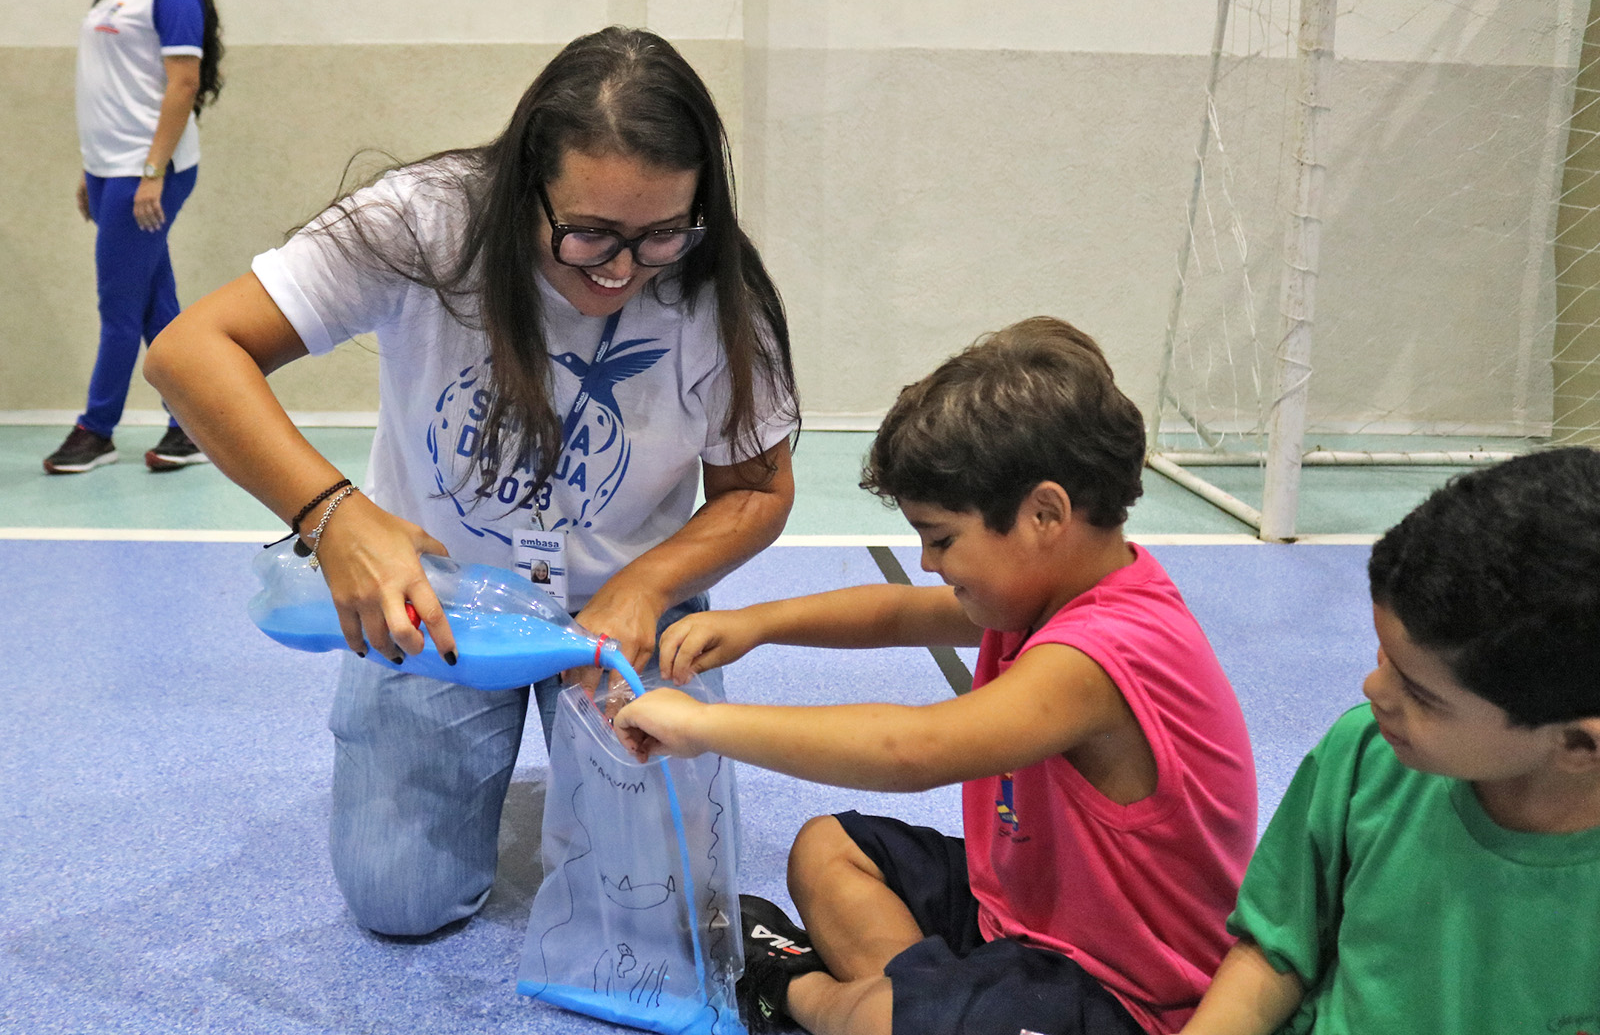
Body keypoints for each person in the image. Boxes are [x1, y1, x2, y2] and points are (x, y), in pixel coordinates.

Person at [144, 27, 801, 936]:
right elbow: (189, 353)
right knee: (398, 901)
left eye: (659, 235)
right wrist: (334, 516)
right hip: (443, 601)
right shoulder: (422, 223)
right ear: (525, 185)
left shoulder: (719, 287)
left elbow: (757, 492)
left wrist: (649, 584)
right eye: (588, 234)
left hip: (621, 613)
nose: (620, 270)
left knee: (651, 914)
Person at [614, 317, 1258, 1035]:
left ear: (1045, 514)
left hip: (1122, 997)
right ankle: (924, 1004)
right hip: (1016, 918)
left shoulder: (1104, 652)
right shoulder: (1046, 591)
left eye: (943, 539)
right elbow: (896, 613)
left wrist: (704, 726)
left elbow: (911, 750)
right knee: (829, 848)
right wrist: (758, 624)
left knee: (877, 1017)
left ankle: (795, 988)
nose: (928, 563)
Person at [1180, 447, 1600, 1034]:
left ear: (1579, 746)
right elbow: (1275, 951)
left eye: (1422, 695)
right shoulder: (1365, 753)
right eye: (1386, 656)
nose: (1374, 689)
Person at [46, 0, 223, 475]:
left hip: (148, 172)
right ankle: (192, 425)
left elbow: (183, 83)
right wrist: (90, 169)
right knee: (153, 305)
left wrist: (153, 171)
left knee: (117, 308)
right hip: (111, 170)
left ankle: (96, 430)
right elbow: (111, 91)